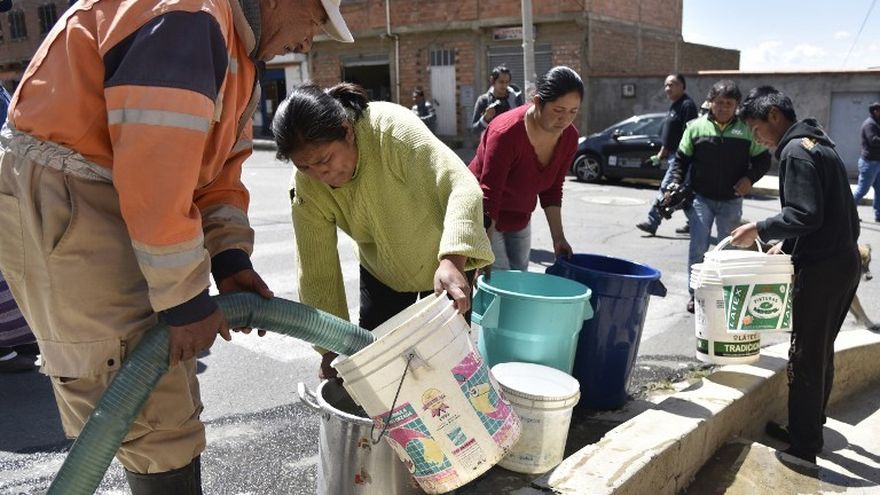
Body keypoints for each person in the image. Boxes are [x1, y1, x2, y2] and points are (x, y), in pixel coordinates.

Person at [0, 0, 353, 492]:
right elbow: (157, 172)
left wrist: (229, 257)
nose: (309, 41)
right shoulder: (187, 17)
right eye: (315, 21)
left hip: (111, 193)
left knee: (163, 395)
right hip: (73, 192)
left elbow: (218, 172)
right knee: (138, 398)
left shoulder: (235, 51)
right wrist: (185, 300)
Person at [273, 83, 494, 380]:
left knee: (449, 367)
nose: (319, 174)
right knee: (375, 365)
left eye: (325, 160)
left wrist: (453, 260)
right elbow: (317, 269)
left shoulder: (391, 131)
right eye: (305, 167)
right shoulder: (306, 186)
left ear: (347, 131)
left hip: (444, 265)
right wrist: (328, 349)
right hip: (381, 271)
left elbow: (462, 186)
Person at [732, 86, 861, 463]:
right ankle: (810, 423)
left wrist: (758, 229)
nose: (757, 137)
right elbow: (824, 212)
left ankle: (804, 444)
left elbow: (805, 213)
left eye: (756, 128)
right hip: (843, 262)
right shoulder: (818, 144)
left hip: (822, 271)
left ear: (773, 116)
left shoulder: (794, 151)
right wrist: (787, 245)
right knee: (820, 349)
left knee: (805, 354)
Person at [665, 79, 771, 313]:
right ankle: (696, 294)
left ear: (737, 105)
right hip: (700, 198)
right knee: (698, 247)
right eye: (719, 102)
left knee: (729, 249)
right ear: (710, 102)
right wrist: (674, 183)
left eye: (729, 103)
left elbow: (763, 160)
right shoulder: (695, 128)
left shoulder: (746, 130)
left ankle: (725, 296)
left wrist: (749, 179)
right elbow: (681, 160)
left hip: (731, 200)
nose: (723, 107)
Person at [469, 66, 583, 271]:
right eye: (558, 110)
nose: (565, 119)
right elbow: (489, 195)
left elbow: (552, 190)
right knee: (499, 277)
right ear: (538, 102)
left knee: (520, 274)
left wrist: (558, 238)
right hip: (482, 214)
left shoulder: (569, 138)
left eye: (573, 112)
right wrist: (482, 252)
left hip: (519, 215)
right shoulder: (506, 133)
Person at [637, 74, 699, 236]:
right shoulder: (675, 105)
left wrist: (683, 158)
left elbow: (690, 134)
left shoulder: (687, 105)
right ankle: (694, 224)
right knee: (683, 195)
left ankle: (652, 222)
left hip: (682, 158)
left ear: (682, 86)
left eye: (672, 84)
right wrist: (661, 153)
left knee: (667, 188)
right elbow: (671, 134)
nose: (667, 88)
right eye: (666, 85)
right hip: (672, 155)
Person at [471, 65, 525, 134]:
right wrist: (485, 119)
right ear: (492, 81)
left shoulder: (515, 98)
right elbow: (475, 131)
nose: (504, 85)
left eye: (507, 82)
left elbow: (523, 122)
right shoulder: (484, 100)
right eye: (501, 82)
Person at [853, 101, 880, 222]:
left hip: (877, 162)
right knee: (862, 190)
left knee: (879, 190)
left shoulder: (876, 123)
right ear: (875, 111)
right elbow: (873, 140)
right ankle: (849, 212)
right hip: (869, 163)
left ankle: (879, 214)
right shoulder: (870, 124)